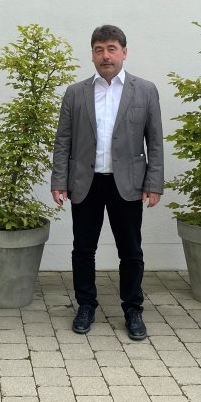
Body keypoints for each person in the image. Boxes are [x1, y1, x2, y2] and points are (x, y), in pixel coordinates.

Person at [51, 25, 164, 338]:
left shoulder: (145, 90)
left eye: (112, 49)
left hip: (127, 184)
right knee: (83, 249)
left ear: (124, 53)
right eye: (99, 50)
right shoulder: (76, 92)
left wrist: (154, 182)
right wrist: (58, 180)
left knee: (130, 250)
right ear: (92, 54)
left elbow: (155, 141)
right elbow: (63, 140)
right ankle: (86, 305)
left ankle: (133, 310)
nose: (105, 55)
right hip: (85, 182)